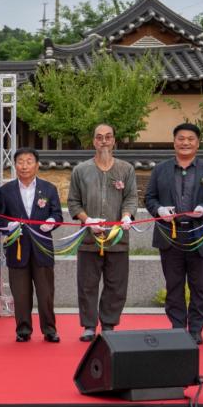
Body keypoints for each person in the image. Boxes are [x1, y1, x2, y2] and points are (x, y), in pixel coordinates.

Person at [145, 123, 203, 345]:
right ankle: (178, 328)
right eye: (181, 138)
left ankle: (196, 330)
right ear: (174, 142)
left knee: (199, 286)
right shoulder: (160, 170)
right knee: (174, 285)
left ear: (197, 143)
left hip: (199, 233)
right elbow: (149, 198)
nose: (185, 142)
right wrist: (159, 210)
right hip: (170, 234)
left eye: (190, 139)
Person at [67, 123, 137, 342]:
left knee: (116, 284)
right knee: (87, 284)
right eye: (99, 137)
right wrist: (87, 220)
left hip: (118, 238)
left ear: (114, 140)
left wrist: (126, 215)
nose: (104, 141)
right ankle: (89, 325)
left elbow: (131, 198)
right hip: (89, 238)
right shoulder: (81, 170)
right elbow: (73, 202)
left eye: (108, 137)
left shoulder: (126, 169)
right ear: (94, 141)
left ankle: (108, 323)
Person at [0, 147, 63, 343]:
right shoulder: (5, 190)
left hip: (42, 248)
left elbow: (57, 214)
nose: (24, 166)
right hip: (17, 248)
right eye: (20, 162)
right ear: (14, 165)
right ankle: (23, 329)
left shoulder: (49, 189)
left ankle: (49, 329)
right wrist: (8, 226)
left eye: (29, 161)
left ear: (37, 165)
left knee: (46, 293)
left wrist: (51, 222)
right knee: (21, 293)